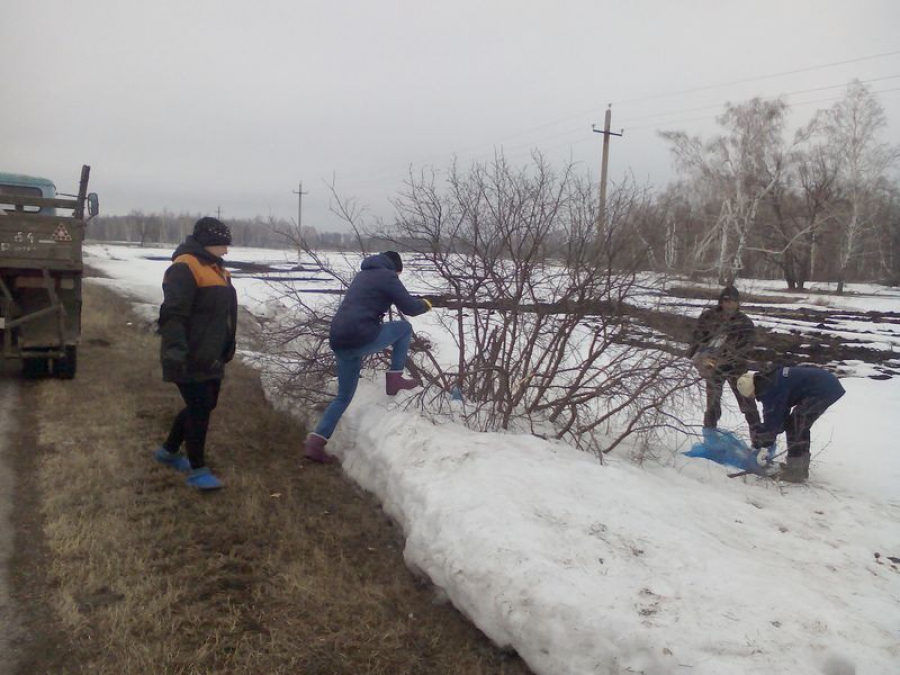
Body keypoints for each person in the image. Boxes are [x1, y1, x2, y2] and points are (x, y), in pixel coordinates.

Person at [304, 251, 432, 463]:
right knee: (404, 328)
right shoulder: (388, 276)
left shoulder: (362, 275)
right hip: (361, 336)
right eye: (399, 275)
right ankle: (394, 379)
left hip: (339, 338)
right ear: (396, 269)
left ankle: (315, 443)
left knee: (343, 397)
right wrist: (427, 304)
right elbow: (410, 307)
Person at [154, 217, 238, 490]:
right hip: (190, 353)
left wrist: (227, 344)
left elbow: (223, 314)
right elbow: (173, 314)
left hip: (211, 353)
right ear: (208, 243)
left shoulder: (217, 269)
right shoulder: (185, 267)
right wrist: (176, 351)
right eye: (223, 244)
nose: (226, 250)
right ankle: (197, 469)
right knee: (200, 408)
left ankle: (168, 451)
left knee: (203, 404)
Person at [737, 366, 845, 483]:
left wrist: (764, 445)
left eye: (751, 396)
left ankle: (796, 472)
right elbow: (780, 415)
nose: (753, 398)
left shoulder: (770, 390)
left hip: (825, 389)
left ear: (752, 390)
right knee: (796, 424)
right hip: (826, 383)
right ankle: (799, 468)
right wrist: (770, 433)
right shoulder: (768, 380)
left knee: (796, 425)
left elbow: (773, 421)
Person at [687, 285, 761, 441]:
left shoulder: (744, 322)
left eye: (733, 301)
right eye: (726, 300)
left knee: (748, 404)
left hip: (736, 368)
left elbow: (748, 345)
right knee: (712, 404)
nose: (729, 304)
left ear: (738, 303)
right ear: (721, 301)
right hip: (713, 366)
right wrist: (699, 356)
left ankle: (759, 441)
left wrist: (729, 356)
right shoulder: (709, 317)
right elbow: (697, 338)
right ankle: (710, 439)